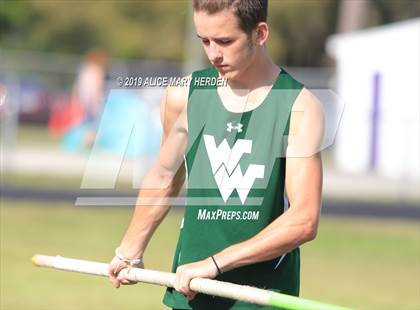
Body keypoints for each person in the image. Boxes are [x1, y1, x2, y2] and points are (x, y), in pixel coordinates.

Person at [108, 1, 323, 309]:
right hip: (191, 294)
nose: (213, 54)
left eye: (225, 41)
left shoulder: (299, 106)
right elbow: (165, 176)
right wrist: (129, 250)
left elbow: (304, 219)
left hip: (261, 299)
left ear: (260, 33)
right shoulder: (183, 96)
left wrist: (215, 263)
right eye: (204, 40)